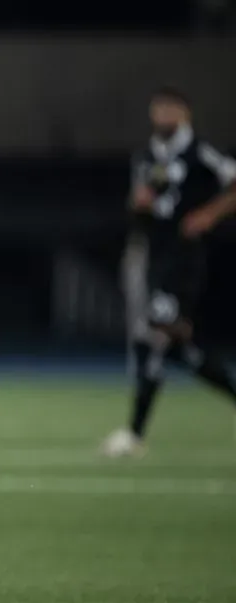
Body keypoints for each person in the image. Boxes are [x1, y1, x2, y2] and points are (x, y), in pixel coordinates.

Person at [102, 87, 236, 457]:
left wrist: (209, 215)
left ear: (185, 114)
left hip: (185, 262)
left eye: (170, 109)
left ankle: (134, 435)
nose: (163, 116)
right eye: (158, 109)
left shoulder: (200, 152)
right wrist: (139, 203)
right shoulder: (147, 156)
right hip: (156, 258)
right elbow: (138, 203)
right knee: (178, 350)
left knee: (154, 334)